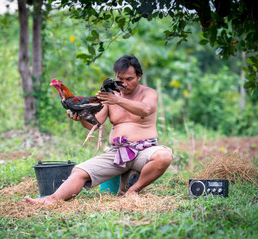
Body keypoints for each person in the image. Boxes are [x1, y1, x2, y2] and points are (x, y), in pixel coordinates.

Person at [25, 55, 172, 205]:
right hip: (117, 153)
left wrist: (118, 100)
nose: (124, 84)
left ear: (139, 76)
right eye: (120, 79)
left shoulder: (148, 93)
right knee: (78, 172)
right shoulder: (109, 96)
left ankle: (133, 190)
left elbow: (146, 109)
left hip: (144, 150)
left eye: (130, 79)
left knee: (164, 156)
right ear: (115, 76)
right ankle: (51, 200)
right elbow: (95, 124)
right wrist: (81, 118)